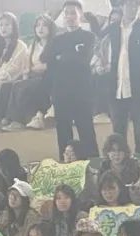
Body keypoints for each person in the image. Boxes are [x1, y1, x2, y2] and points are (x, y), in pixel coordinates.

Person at [43, 1, 99, 159]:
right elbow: (46, 59)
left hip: (82, 92)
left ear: (80, 15)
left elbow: (83, 60)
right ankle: (65, 164)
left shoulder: (88, 37)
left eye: (73, 13)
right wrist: (65, 56)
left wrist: (61, 57)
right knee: (63, 133)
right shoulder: (57, 39)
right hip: (61, 92)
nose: (69, 16)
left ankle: (93, 164)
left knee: (86, 131)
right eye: (66, 13)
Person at [4, 14, 56, 131]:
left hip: (48, 77)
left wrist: (40, 67)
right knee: (14, 85)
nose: (40, 28)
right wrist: (26, 75)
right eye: (38, 26)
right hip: (34, 76)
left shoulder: (55, 44)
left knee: (20, 86)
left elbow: (52, 64)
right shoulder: (33, 46)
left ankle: (17, 121)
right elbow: (27, 66)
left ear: (50, 28)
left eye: (44, 25)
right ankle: (8, 118)